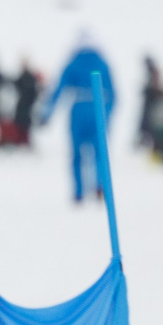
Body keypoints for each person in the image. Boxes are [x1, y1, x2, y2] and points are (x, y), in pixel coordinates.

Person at [46, 38, 114, 202]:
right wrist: (109, 113)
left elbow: (59, 88)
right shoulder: (103, 63)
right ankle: (99, 184)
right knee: (99, 152)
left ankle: (78, 191)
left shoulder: (73, 62)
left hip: (79, 109)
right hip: (98, 109)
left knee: (76, 154)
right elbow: (113, 92)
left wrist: (47, 112)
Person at [3, 60, 42, 147]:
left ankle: (26, 142)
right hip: (21, 106)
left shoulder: (30, 77)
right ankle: (20, 142)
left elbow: (35, 92)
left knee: (26, 126)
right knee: (20, 124)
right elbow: (15, 83)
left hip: (27, 106)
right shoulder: (22, 77)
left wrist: (31, 102)